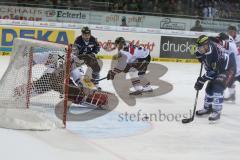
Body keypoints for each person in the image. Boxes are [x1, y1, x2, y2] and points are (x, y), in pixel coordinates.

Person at [194, 35, 236, 121]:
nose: (200, 49)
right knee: (209, 88)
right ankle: (207, 108)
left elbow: (214, 71)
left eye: (201, 47)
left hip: (228, 68)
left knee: (217, 86)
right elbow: (207, 64)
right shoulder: (205, 48)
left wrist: (202, 80)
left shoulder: (214, 53)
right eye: (199, 47)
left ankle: (217, 111)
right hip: (218, 68)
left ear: (207, 45)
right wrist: (200, 58)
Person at [223, 25, 240, 102]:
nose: (230, 33)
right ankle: (232, 96)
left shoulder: (238, 39)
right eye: (229, 31)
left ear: (235, 32)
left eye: (232, 32)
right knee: (230, 81)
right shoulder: (226, 40)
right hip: (232, 66)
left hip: (239, 65)